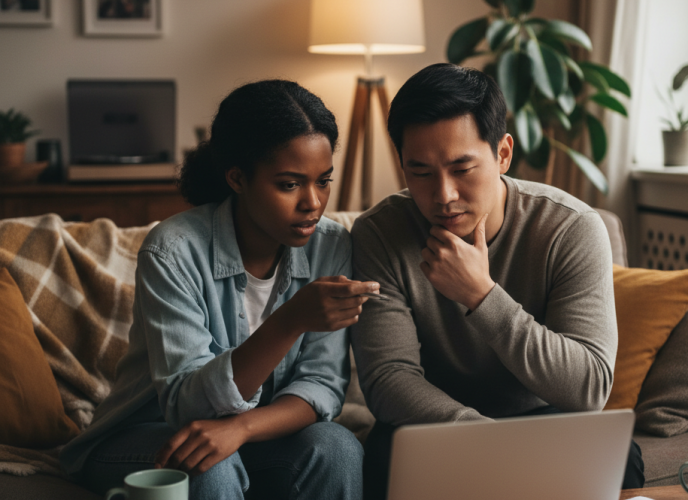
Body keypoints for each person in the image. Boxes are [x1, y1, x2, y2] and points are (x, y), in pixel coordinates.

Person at [60, 80, 378, 500]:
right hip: (147, 434)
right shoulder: (172, 251)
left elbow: (321, 386)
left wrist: (242, 428)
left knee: (337, 448)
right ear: (238, 178)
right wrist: (290, 321)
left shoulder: (332, 246)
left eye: (323, 181)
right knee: (209, 463)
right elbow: (188, 407)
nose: (313, 203)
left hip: (254, 435)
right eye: (289, 184)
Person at [349, 63, 644, 499]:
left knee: (624, 460)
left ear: (503, 153)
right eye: (422, 172)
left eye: (462, 168)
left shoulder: (571, 228)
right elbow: (389, 379)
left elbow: (588, 389)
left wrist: (482, 297)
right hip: (434, 426)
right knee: (381, 455)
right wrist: (485, 441)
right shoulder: (379, 234)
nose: (444, 194)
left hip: (542, 419)